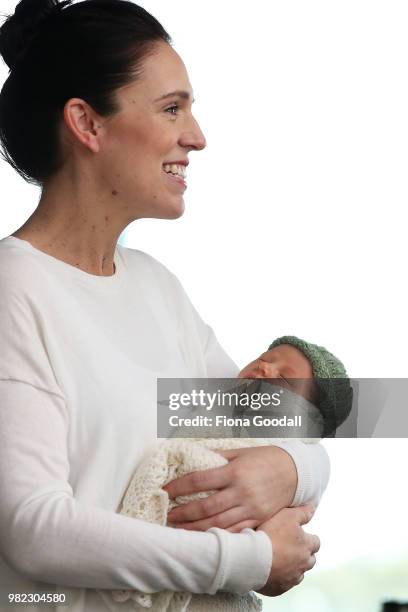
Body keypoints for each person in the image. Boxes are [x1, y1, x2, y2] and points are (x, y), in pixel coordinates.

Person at [0, 1, 327, 611]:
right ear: (87, 125)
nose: (196, 136)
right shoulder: (14, 292)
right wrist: (248, 559)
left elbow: (274, 424)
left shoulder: (157, 288)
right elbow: (33, 528)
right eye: (172, 108)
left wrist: (291, 470)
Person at [108, 336, 351, 611]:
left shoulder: (274, 442)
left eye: (283, 381)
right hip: (184, 558)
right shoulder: (216, 408)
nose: (265, 369)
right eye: (264, 359)